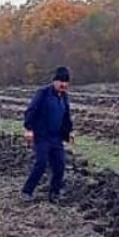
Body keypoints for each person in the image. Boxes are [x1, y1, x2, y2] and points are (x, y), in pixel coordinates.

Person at [21, 66, 73, 203]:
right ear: (54, 81)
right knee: (41, 163)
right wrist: (29, 129)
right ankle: (27, 191)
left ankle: (54, 193)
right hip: (42, 136)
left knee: (60, 165)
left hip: (56, 138)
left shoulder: (64, 96)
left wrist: (69, 132)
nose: (63, 84)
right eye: (61, 81)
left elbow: (66, 116)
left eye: (66, 82)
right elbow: (31, 111)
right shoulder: (43, 93)